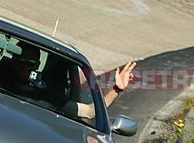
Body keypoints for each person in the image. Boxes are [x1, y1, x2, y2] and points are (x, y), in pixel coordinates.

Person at [8, 42, 136, 120]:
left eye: (31, 63)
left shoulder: (48, 97)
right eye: (20, 61)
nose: (24, 67)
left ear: (37, 65)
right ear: (12, 61)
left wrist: (116, 89)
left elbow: (90, 112)